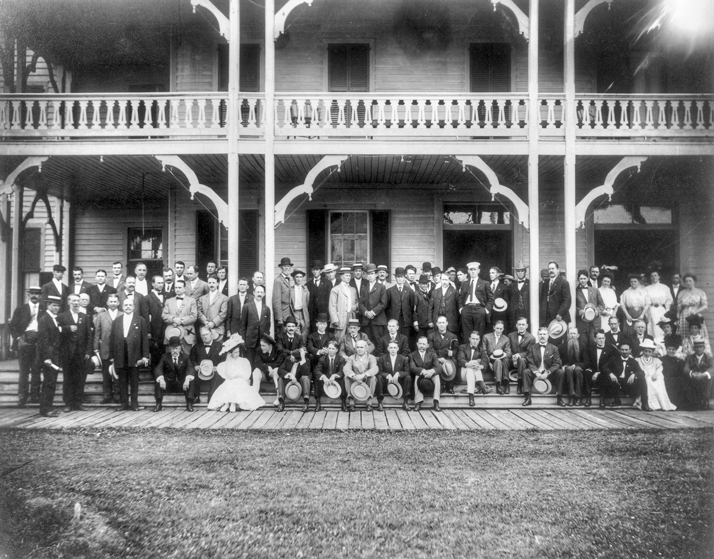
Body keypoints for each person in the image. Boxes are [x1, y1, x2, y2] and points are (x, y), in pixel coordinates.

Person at [108, 298, 150, 411]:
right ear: (122, 306)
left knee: (134, 380)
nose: (127, 307)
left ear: (134, 307)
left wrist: (145, 355)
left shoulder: (140, 320)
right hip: (120, 353)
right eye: (125, 305)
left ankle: (134, 404)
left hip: (134, 353)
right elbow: (112, 339)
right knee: (122, 380)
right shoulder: (117, 321)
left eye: (130, 305)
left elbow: (144, 339)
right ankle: (124, 404)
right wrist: (112, 356)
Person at [207, 334, 265, 413]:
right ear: (230, 353)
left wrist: (238, 375)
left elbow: (245, 375)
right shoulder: (227, 362)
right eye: (235, 352)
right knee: (228, 384)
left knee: (237, 383)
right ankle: (227, 403)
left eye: (238, 352)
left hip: (240, 381)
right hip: (230, 380)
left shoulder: (243, 361)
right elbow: (228, 375)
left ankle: (233, 403)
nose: (237, 354)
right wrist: (228, 361)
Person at [57, 293, 93, 412]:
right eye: (74, 301)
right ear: (68, 302)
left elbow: (89, 336)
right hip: (67, 353)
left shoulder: (85, 316)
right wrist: (67, 328)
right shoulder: (62, 316)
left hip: (81, 354)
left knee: (80, 378)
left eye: (78, 301)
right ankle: (68, 403)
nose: (76, 303)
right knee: (68, 379)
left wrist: (88, 351)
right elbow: (56, 333)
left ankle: (78, 402)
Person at [10, 286, 43, 407]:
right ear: (28, 295)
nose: (34, 296)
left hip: (38, 342)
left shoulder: (43, 309)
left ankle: (35, 396)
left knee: (36, 370)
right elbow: (12, 325)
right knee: (24, 371)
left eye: (37, 294)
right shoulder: (21, 309)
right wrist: (19, 338)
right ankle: (22, 397)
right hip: (24, 342)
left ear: (40, 296)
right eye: (32, 293)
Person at [600, 341, 651, 410]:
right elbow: (604, 367)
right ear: (619, 350)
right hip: (616, 384)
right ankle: (616, 400)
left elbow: (642, 373)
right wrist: (611, 373)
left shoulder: (633, 362)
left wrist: (634, 374)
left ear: (630, 350)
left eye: (626, 350)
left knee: (642, 379)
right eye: (622, 350)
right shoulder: (614, 360)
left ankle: (645, 404)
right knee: (605, 376)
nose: (624, 352)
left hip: (628, 385)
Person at [276, 316, 312, 412]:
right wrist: (291, 353)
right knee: (280, 377)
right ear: (285, 327)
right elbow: (280, 349)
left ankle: (306, 402)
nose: (291, 328)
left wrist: (298, 355)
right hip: (284, 360)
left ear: (296, 327)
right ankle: (281, 401)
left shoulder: (299, 337)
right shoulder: (280, 336)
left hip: (297, 364)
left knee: (305, 377)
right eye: (289, 326)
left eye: (293, 326)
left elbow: (301, 349)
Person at [153, 336, 197, 412]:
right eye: (173, 348)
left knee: (191, 379)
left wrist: (187, 379)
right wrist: (161, 379)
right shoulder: (165, 357)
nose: (175, 351)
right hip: (169, 385)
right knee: (158, 380)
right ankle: (158, 404)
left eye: (177, 348)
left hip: (182, 385)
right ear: (170, 348)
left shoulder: (185, 357)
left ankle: (189, 403)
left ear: (180, 348)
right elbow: (158, 368)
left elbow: (191, 368)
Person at [522, 326, 563, 407]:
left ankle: (559, 398)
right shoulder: (532, 348)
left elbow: (557, 363)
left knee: (560, 372)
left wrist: (548, 372)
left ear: (548, 335)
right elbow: (530, 362)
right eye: (540, 334)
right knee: (526, 371)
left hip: (549, 374)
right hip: (536, 374)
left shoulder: (554, 348)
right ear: (538, 335)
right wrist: (536, 372)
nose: (542, 336)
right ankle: (527, 398)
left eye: (544, 334)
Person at [37, 295, 63, 417]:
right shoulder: (44, 319)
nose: (56, 308)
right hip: (49, 357)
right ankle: (45, 410)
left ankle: (49, 408)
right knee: (48, 383)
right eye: (53, 305)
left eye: (58, 305)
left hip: (54, 355)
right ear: (48, 305)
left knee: (51, 382)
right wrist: (47, 357)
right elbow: (44, 341)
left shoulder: (53, 318)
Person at [93, 293, 122, 404]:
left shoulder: (122, 314)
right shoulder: (101, 315)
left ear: (118, 303)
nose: (113, 304)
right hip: (105, 348)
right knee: (106, 374)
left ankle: (118, 395)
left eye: (115, 301)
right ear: (107, 303)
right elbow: (97, 333)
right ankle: (107, 396)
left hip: (118, 349)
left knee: (117, 373)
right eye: (111, 301)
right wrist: (96, 348)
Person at [636, 339, 676, 411]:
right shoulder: (638, 360)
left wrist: (656, 374)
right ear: (643, 351)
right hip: (643, 377)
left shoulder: (656, 360)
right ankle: (648, 404)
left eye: (649, 351)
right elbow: (637, 369)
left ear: (652, 352)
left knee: (659, 380)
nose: (647, 353)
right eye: (645, 351)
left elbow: (660, 368)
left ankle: (659, 403)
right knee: (647, 381)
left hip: (653, 377)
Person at [188, 326, 225, 403]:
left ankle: (211, 397)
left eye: (207, 334)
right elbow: (191, 359)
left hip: (214, 370)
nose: (205, 337)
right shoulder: (196, 347)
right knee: (192, 373)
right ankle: (195, 396)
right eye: (203, 335)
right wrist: (196, 366)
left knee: (218, 373)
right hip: (200, 371)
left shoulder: (219, 346)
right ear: (201, 337)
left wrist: (218, 367)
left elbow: (223, 360)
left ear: (211, 334)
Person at [458, 261, 494, 341]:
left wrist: (486, 309)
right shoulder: (464, 284)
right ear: (468, 271)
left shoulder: (485, 283)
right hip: (466, 309)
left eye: (475, 269)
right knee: (467, 333)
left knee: (479, 333)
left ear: (478, 271)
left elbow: (491, 298)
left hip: (479, 309)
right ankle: (468, 352)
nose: (473, 271)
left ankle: (478, 352)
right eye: (471, 270)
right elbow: (460, 297)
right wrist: (461, 308)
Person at [162, 279, 198, 356]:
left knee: (187, 356)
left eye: (179, 287)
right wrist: (173, 319)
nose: (177, 289)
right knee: (170, 357)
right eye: (176, 287)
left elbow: (194, 316)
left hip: (187, 333)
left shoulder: (191, 301)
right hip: (172, 332)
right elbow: (164, 315)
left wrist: (181, 320)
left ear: (184, 288)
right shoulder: (169, 301)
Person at [344, 339, 380, 412]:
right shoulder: (352, 357)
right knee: (347, 377)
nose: (359, 349)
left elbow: (375, 368)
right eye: (358, 347)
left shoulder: (371, 357)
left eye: (361, 347)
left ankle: (369, 403)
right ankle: (351, 402)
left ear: (366, 348)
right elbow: (346, 368)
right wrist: (354, 376)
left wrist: (364, 375)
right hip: (355, 379)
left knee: (373, 378)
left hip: (366, 378)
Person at [240, 285, 271, 366]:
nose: (259, 294)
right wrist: (243, 339)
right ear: (254, 293)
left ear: (264, 294)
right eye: (258, 292)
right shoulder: (247, 306)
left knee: (259, 362)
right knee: (249, 362)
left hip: (261, 341)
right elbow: (243, 325)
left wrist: (265, 339)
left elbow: (268, 325)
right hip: (250, 340)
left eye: (261, 292)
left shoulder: (266, 308)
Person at [584, 329, 617, 408]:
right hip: (592, 371)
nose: (601, 340)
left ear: (605, 338)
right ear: (595, 339)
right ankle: (588, 399)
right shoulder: (590, 349)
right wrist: (589, 369)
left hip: (603, 372)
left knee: (604, 376)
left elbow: (607, 365)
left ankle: (602, 400)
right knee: (586, 373)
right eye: (599, 338)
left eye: (603, 338)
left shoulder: (610, 351)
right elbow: (587, 362)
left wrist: (598, 372)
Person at [377, 339, 412, 411]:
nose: (393, 350)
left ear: (398, 349)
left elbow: (407, 372)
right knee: (379, 377)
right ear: (388, 349)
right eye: (391, 348)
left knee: (408, 377)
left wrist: (399, 374)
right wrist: (387, 375)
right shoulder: (382, 358)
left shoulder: (403, 359)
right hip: (386, 383)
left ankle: (405, 402)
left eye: (394, 348)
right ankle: (380, 402)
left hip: (399, 383)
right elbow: (379, 372)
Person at [313, 340, 348, 412]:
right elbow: (317, 370)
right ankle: (318, 402)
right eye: (329, 348)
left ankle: (343, 402)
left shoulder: (341, 359)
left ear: (336, 350)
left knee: (343, 379)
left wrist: (335, 375)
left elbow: (342, 370)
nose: (331, 350)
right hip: (326, 380)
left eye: (333, 349)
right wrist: (323, 376)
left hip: (336, 380)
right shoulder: (322, 359)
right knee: (317, 379)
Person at [457, 331, 490, 406]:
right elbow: (460, 360)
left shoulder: (481, 350)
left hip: (473, 374)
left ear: (479, 340)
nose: (475, 341)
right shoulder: (462, 347)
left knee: (471, 370)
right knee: (471, 366)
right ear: (469, 339)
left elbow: (485, 362)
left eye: (477, 339)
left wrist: (480, 366)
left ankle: (471, 397)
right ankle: (482, 386)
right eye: (473, 339)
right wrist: (470, 364)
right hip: (463, 373)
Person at [574, 269, 605, 351]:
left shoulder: (595, 290)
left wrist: (597, 311)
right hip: (582, 322)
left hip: (594, 322)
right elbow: (572, 306)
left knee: (594, 342)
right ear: (578, 280)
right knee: (583, 343)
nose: (583, 280)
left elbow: (602, 304)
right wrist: (579, 311)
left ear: (587, 279)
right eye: (581, 279)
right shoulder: (575, 292)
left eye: (584, 278)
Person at [428, 315, 460, 394]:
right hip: (437, 357)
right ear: (436, 324)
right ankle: (441, 386)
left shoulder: (453, 336)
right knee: (436, 364)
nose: (441, 324)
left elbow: (456, 349)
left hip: (448, 358)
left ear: (446, 323)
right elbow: (430, 350)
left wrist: (452, 352)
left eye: (443, 322)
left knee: (454, 362)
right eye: (439, 323)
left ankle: (450, 386)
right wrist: (438, 358)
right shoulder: (431, 335)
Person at [409, 336, 442, 412]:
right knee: (417, 375)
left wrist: (431, 371)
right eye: (420, 343)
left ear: (427, 345)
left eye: (424, 344)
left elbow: (438, 367)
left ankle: (436, 401)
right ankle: (418, 402)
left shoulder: (432, 354)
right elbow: (412, 367)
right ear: (417, 344)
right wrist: (422, 370)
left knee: (436, 376)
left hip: (430, 376)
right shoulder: (412, 355)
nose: (421, 346)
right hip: (420, 376)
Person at [359, 263, 388, 344]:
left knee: (378, 342)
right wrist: (366, 312)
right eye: (368, 274)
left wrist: (372, 312)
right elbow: (360, 304)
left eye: (372, 274)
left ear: (376, 275)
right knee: (367, 342)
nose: (370, 276)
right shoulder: (364, 288)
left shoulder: (381, 287)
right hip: (366, 321)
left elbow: (383, 303)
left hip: (378, 320)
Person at [329, 267, 359, 343]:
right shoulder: (335, 289)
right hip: (340, 317)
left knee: (351, 337)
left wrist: (355, 306)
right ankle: (339, 353)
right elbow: (332, 306)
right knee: (339, 338)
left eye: (349, 276)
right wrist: (335, 319)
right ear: (341, 277)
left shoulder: (353, 289)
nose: (348, 277)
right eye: (346, 276)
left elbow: (357, 301)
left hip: (351, 316)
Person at [682, 337, 713, 410]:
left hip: (704, 379)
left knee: (711, 378)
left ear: (704, 348)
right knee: (685, 379)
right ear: (693, 348)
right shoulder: (689, 358)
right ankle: (692, 401)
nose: (699, 349)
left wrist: (704, 374)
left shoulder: (708, 358)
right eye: (696, 347)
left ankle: (705, 400)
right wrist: (692, 373)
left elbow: (712, 368)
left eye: (701, 347)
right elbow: (685, 369)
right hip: (693, 378)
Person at [482, 320, 512, 395]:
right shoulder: (486, 337)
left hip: (502, 362)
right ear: (494, 328)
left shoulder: (506, 339)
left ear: (503, 329)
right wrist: (488, 363)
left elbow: (508, 353)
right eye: (497, 328)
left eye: (501, 329)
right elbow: (484, 352)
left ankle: (504, 383)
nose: (499, 331)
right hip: (490, 361)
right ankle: (499, 385)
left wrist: (501, 353)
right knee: (497, 361)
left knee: (500, 360)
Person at [507, 317, 536, 395]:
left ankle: (520, 384)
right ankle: (505, 383)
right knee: (504, 360)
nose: (521, 326)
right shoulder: (510, 335)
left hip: (523, 361)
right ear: (516, 325)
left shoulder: (531, 338)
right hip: (511, 358)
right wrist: (512, 356)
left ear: (527, 326)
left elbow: (529, 352)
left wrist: (519, 355)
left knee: (522, 360)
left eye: (523, 324)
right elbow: (507, 348)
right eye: (519, 324)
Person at [539, 261, 571, 327]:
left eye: (553, 268)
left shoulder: (563, 283)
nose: (551, 270)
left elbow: (567, 301)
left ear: (557, 270)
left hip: (559, 317)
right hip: (547, 317)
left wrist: (560, 313)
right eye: (549, 269)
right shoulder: (545, 283)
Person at [430, 267, 460, 338]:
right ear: (440, 280)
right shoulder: (435, 292)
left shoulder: (454, 292)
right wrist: (430, 321)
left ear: (449, 280)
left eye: (446, 280)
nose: (444, 282)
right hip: (437, 320)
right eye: (443, 279)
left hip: (450, 321)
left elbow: (458, 308)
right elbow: (430, 308)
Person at [619, 274, 651, 340]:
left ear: (638, 282)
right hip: (629, 314)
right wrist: (627, 315)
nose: (633, 283)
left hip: (640, 314)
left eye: (635, 281)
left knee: (640, 330)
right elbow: (622, 304)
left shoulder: (643, 292)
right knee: (629, 332)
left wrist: (642, 315)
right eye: (631, 281)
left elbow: (648, 304)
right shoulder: (626, 292)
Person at [677, 273, 708, 340]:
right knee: (685, 333)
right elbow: (679, 307)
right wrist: (678, 318)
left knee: (697, 332)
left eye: (690, 281)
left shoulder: (700, 292)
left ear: (694, 281)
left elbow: (705, 306)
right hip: (684, 316)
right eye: (686, 281)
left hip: (696, 314)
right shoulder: (682, 292)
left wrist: (695, 311)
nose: (688, 283)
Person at [386, 267, 415, 337]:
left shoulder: (409, 291)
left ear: (404, 278)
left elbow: (411, 306)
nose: (400, 279)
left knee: (405, 338)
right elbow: (387, 307)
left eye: (401, 277)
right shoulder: (389, 291)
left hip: (406, 320)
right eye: (398, 277)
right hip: (394, 319)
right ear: (395, 278)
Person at [197, 276, 228, 342]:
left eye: (213, 283)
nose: (211, 285)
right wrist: (205, 321)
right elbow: (198, 311)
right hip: (205, 329)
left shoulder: (224, 298)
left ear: (217, 284)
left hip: (218, 330)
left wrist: (213, 323)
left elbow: (223, 313)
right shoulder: (202, 298)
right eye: (210, 283)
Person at [146, 275, 167, 368]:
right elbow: (146, 316)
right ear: (153, 284)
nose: (161, 285)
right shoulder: (147, 298)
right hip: (155, 330)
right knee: (155, 352)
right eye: (158, 283)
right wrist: (149, 331)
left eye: (162, 283)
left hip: (166, 328)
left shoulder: (167, 296)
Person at [561, 327, 585, 406]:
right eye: (571, 333)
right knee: (569, 369)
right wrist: (563, 365)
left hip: (579, 366)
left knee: (577, 370)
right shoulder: (562, 346)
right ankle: (571, 396)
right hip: (568, 366)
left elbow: (587, 362)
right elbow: (560, 359)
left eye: (574, 333)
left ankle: (578, 397)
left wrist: (577, 364)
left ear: (578, 335)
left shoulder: (583, 346)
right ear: (568, 335)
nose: (572, 335)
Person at [645, 270, 673, 340]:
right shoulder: (647, 288)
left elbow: (669, 300)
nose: (654, 277)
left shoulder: (665, 287)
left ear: (659, 277)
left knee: (663, 326)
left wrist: (667, 310)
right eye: (652, 276)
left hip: (661, 309)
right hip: (652, 309)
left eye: (655, 275)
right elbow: (645, 301)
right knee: (653, 326)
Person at [272, 256, 294, 335]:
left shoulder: (289, 279)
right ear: (281, 267)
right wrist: (279, 318)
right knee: (282, 336)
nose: (286, 268)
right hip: (282, 315)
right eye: (284, 266)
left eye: (288, 266)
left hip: (289, 313)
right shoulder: (278, 281)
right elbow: (276, 301)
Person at [290, 269, 311, 342]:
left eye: (300, 277)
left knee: (305, 328)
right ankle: (297, 347)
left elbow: (307, 302)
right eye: (297, 277)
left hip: (303, 313)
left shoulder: (305, 289)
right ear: (294, 278)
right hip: (294, 312)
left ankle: (303, 346)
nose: (299, 279)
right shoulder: (290, 289)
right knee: (296, 329)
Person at [509, 262, 530, 330]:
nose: (520, 273)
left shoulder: (530, 284)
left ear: (525, 272)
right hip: (515, 314)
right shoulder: (512, 285)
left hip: (526, 313)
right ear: (516, 272)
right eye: (518, 271)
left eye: (522, 271)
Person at [412, 274, 432, 345]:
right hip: (420, 323)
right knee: (419, 341)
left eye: (426, 284)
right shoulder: (416, 294)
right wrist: (415, 322)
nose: (424, 285)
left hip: (427, 324)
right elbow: (413, 310)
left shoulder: (427, 294)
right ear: (419, 284)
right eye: (423, 284)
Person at [306, 260, 324, 331]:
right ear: (311, 271)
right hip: (312, 314)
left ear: (320, 271)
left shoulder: (327, 283)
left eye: (317, 270)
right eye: (313, 270)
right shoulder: (307, 285)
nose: (315, 271)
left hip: (323, 314)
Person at [488, 267, 508, 331]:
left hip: (498, 315)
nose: (491, 274)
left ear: (498, 274)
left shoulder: (503, 287)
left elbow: (506, 303)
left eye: (493, 273)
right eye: (490, 273)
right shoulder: (487, 286)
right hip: (488, 315)